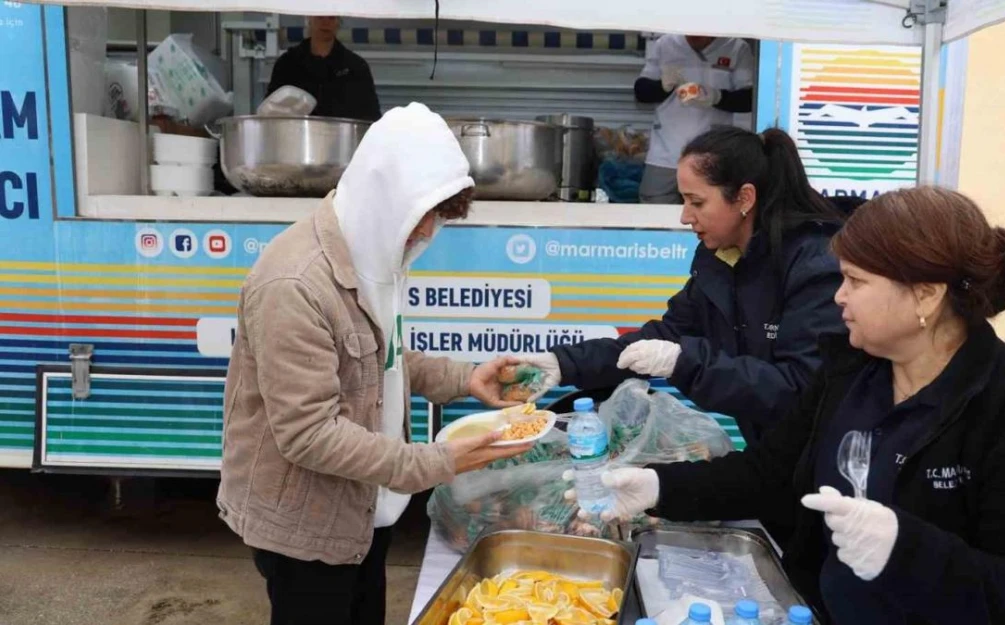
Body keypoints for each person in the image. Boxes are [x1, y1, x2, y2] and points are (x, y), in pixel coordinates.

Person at [574, 187, 1005, 624]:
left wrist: (910, 552)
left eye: (855, 281)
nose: (838, 297)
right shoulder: (853, 373)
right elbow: (771, 473)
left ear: (926, 294)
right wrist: (661, 487)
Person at [216, 103, 532, 625]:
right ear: (386, 197)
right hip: (306, 528)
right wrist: (438, 461)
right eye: (425, 214)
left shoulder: (374, 254)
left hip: (365, 511)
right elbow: (308, 434)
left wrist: (463, 379)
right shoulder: (294, 283)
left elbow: (382, 360)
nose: (429, 230)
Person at [518, 127, 845, 446]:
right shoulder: (720, 260)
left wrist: (685, 362)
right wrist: (563, 363)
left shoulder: (814, 265)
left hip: (827, 459)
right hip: (772, 452)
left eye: (697, 202)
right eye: (683, 200)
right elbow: (664, 338)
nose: (685, 217)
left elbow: (799, 390)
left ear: (745, 198)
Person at [635, 35, 755, 204]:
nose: (694, 37)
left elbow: (750, 99)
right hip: (665, 155)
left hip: (713, 157)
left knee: (711, 217)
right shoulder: (665, 44)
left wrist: (717, 97)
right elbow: (641, 93)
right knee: (653, 215)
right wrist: (662, 86)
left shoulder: (736, 48)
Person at [266, 16, 382, 122]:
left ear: (338, 22)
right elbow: (270, 111)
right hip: (295, 140)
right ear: (309, 19)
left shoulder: (356, 67)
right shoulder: (287, 64)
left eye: (331, 18)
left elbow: (371, 116)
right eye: (320, 17)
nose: (326, 23)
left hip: (343, 141)